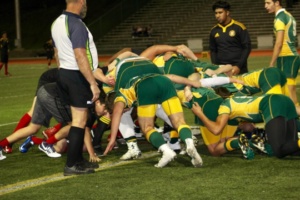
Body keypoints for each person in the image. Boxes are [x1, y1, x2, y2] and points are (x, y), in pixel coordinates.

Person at [104, 73, 204, 168]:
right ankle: (189, 143)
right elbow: (171, 77)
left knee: (147, 128)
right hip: (165, 82)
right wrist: (191, 82)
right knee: (179, 122)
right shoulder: (134, 81)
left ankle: (167, 152)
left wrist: (112, 139)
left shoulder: (119, 97)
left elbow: (116, 113)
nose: (122, 111)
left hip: (145, 87)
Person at [51, 0, 100, 176]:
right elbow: (80, 55)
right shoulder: (77, 24)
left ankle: (78, 160)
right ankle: (72, 164)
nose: (86, 3)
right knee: (80, 121)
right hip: (76, 75)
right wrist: (93, 83)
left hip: (65, 72)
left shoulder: (57, 22)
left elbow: (57, 53)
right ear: (79, 1)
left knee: (78, 120)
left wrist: (63, 71)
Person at [192, 93, 300, 159]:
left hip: (271, 103)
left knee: (279, 151)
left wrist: (200, 114)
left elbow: (216, 130)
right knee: (291, 149)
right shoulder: (236, 99)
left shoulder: (224, 105)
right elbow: (249, 125)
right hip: (284, 100)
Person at [2, 68, 60, 154]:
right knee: (33, 116)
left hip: (61, 81)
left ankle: (44, 136)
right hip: (51, 80)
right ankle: (8, 143)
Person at [264, 0, 300, 106]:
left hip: (286, 55)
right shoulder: (288, 15)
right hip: (291, 55)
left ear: (277, 3)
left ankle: (294, 117)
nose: (265, 6)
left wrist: (271, 63)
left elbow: (279, 43)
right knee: (290, 91)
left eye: (268, 3)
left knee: (289, 93)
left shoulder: (279, 18)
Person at [209, 1, 251, 75]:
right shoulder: (213, 30)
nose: (217, 15)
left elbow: (247, 48)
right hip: (222, 70)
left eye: (220, 12)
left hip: (238, 69)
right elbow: (213, 51)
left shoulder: (239, 27)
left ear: (227, 13)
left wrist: (238, 66)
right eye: (216, 13)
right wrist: (215, 66)